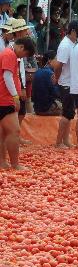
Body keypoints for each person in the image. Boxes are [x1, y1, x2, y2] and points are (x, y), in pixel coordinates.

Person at [1, 37, 36, 169]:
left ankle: (2, 162)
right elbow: (7, 76)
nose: (24, 57)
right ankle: (15, 164)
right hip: (5, 98)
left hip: (3, 97)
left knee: (2, 133)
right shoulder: (9, 54)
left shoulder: (6, 52)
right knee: (14, 131)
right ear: (21, 47)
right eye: (25, 54)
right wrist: (15, 96)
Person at [52, 20, 78, 148]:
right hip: (66, 83)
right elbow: (58, 65)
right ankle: (58, 142)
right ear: (73, 31)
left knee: (69, 113)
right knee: (67, 113)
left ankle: (65, 140)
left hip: (70, 82)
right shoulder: (65, 45)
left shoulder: (72, 43)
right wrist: (56, 78)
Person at [32, 50, 61, 116]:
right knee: (69, 111)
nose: (58, 62)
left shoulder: (38, 71)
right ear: (49, 60)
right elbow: (57, 93)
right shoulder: (50, 74)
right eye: (56, 59)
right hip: (46, 109)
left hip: (37, 108)